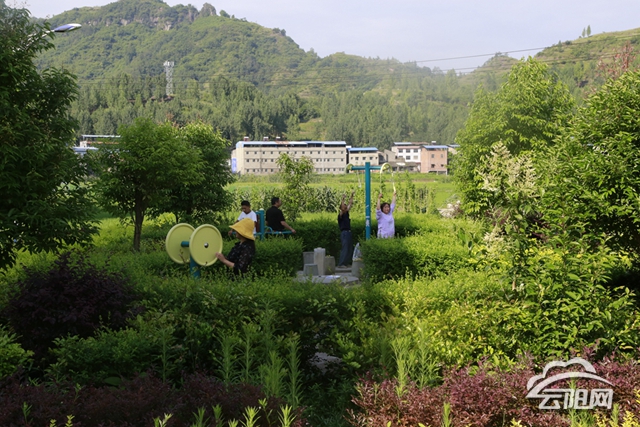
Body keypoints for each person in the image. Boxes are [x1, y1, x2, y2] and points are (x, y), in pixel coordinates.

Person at [337, 191, 354, 267]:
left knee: (349, 248)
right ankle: (341, 263)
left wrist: (352, 195)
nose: (345, 206)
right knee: (345, 248)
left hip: (348, 232)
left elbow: (350, 203)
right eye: (344, 206)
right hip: (344, 233)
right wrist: (343, 199)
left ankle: (346, 262)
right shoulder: (340, 215)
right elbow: (342, 207)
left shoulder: (346, 213)